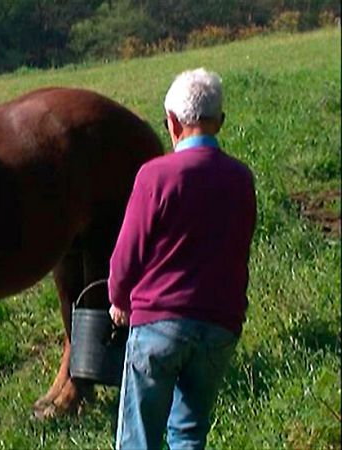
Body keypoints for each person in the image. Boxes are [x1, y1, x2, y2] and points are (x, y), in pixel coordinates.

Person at [108, 68, 257, 450]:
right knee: (189, 434)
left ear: (172, 123)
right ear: (220, 122)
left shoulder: (155, 176)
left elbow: (128, 251)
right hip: (219, 323)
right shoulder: (242, 178)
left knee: (139, 438)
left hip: (160, 321)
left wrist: (119, 297)